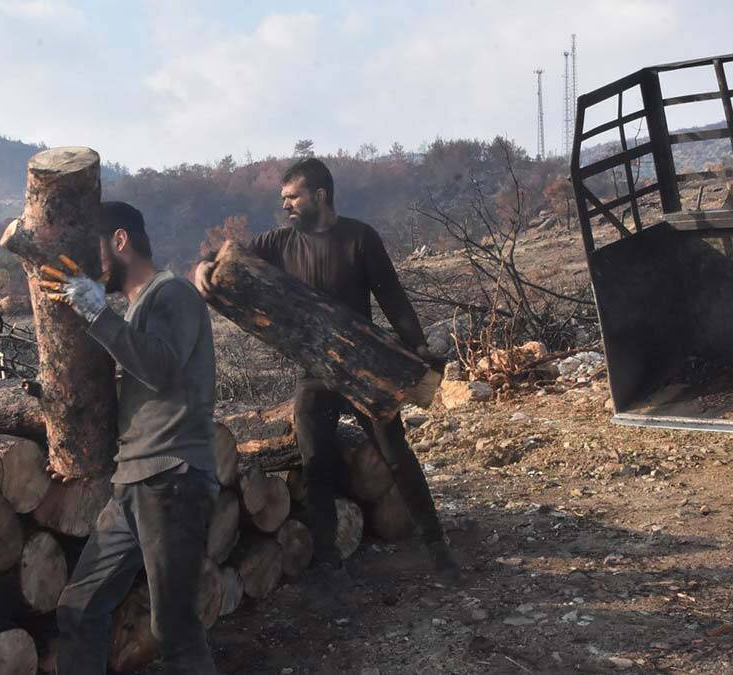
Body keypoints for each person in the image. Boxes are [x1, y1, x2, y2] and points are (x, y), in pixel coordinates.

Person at [194, 158, 459, 583]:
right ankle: (327, 560)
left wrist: (418, 348)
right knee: (315, 462)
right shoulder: (279, 243)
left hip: (364, 372)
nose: (286, 206)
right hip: (314, 373)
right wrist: (202, 266)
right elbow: (226, 256)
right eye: (283, 199)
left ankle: (436, 545)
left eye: (293, 197)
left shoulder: (360, 239)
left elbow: (392, 298)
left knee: (396, 456)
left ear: (320, 195)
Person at [45, 201, 218, 675]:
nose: (88, 266)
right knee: (79, 608)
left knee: (175, 632)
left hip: (173, 477)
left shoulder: (172, 294)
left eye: (93, 250)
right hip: (135, 482)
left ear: (120, 241)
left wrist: (99, 315)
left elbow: (161, 367)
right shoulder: (138, 309)